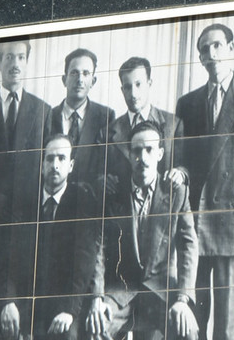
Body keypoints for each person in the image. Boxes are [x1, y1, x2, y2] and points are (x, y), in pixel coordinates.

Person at [0, 135, 101, 340]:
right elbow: (6, 259)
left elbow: (83, 266)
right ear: (42, 165)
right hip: (21, 306)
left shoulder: (82, 202)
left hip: (60, 308)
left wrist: (69, 311)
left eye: (61, 159)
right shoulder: (24, 202)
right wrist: (8, 301)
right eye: (49, 159)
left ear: (71, 165)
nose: (55, 165)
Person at [174, 24, 234, 340]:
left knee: (227, 326)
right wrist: (180, 171)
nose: (212, 55)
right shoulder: (188, 103)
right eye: (205, 50)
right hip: (195, 225)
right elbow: (183, 157)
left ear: (231, 48)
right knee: (191, 321)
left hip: (233, 224)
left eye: (218, 46)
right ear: (199, 58)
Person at [87, 121, 199, 340]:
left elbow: (189, 246)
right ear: (129, 155)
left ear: (160, 154)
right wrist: (97, 298)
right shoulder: (113, 193)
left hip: (161, 290)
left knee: (188, 330)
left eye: (149, 150)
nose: (143, 157)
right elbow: (99, 248)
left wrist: (183, 299)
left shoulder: (177, 192)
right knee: (96, 326)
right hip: (121, 289)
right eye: (137, 151)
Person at [0, 38, 51, 225]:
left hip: (27, 213)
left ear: (26, 63)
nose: (15, 64)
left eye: (21, 57)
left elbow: (45, 162)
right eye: (9, 57)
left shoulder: (44, 110)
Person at [46, 47, 115, 194]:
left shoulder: (106, 117)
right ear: (64, 80)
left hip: (90, 200)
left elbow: (107, 166)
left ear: (93, 81)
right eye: (74, 73)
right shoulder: (47, 116)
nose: (80, 80)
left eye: (86, 73)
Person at [108, 56, 184, 181]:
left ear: (149, 84)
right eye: (127, 87)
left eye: (138, 84)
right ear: (122, 90)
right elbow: (99, 175)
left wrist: (180, 173)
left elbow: (183, 166)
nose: (133, 94)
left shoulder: (174, 125)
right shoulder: (108, 132)